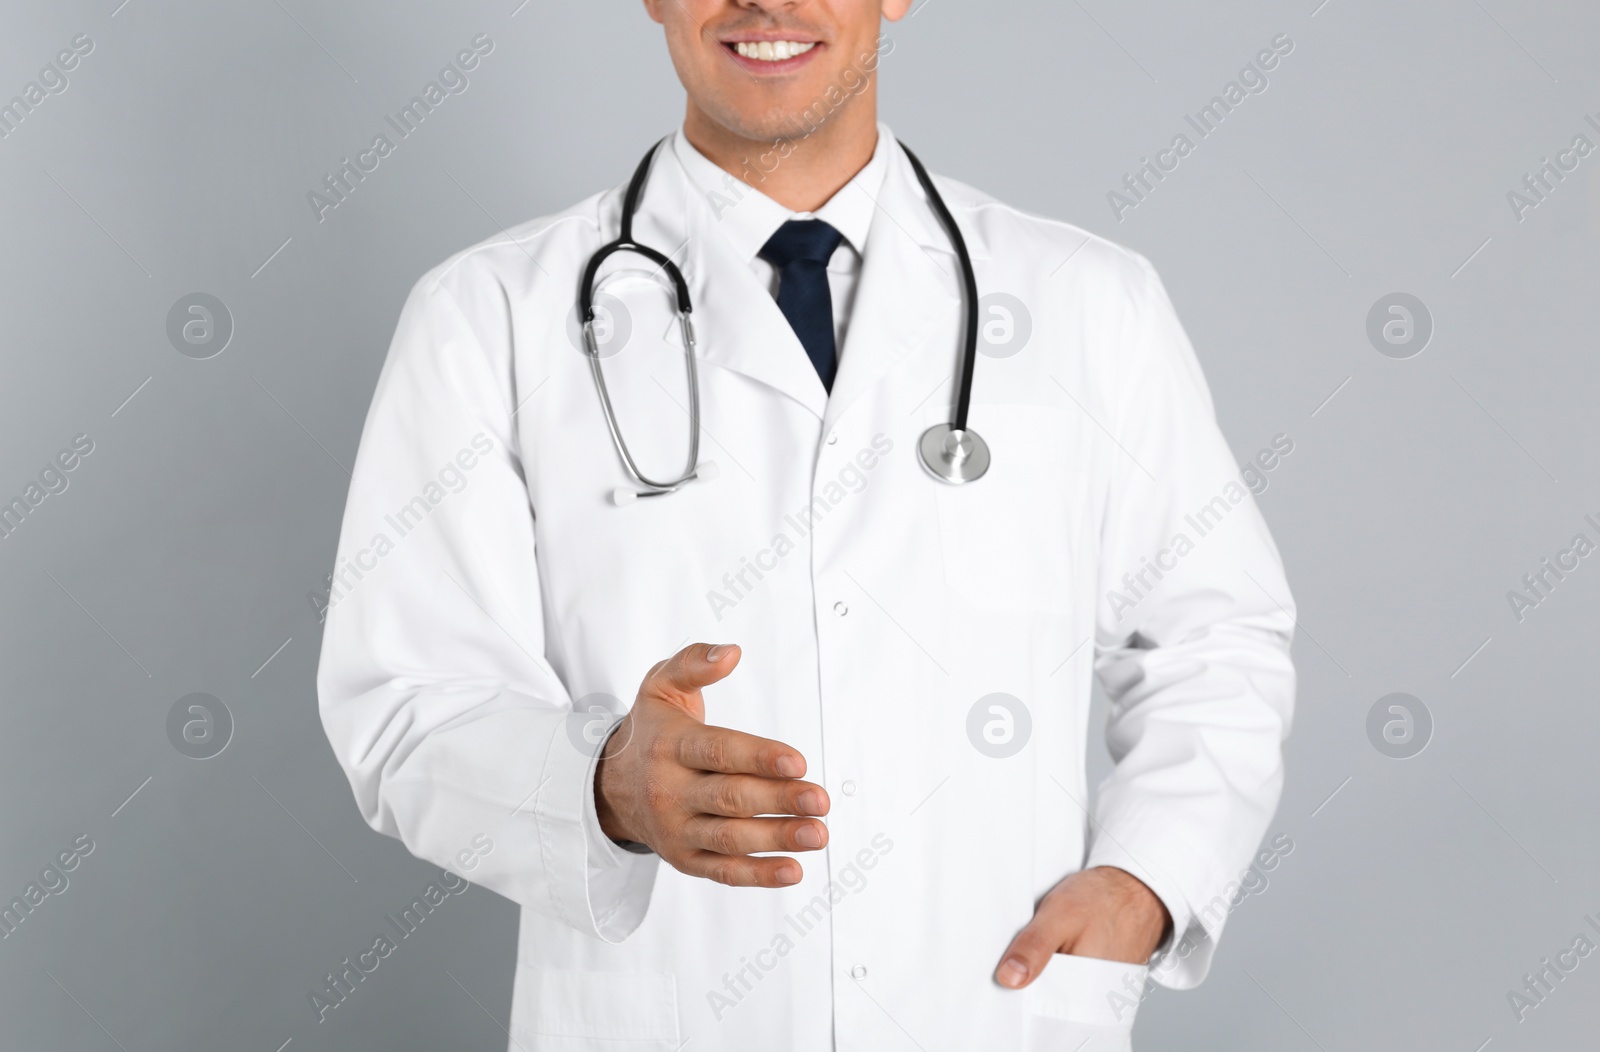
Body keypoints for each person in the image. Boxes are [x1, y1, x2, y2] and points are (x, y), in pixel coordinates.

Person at [317, 1, 1297, 1048]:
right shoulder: (490, 316)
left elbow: (1214, 639)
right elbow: (405, 703)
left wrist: (1146, 880)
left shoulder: (1089, 306)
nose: (764, 1)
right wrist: (601, 783)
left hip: (984, 1010)